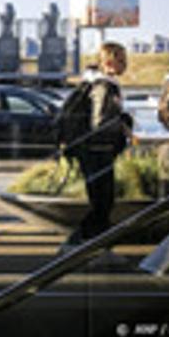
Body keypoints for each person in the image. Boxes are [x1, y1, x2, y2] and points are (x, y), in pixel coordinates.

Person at [64, 41, 132, 246]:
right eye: (121, 60)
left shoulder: (98, 84)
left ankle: (92, 244)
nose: (125, 64)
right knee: (103, 202)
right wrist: (123, 123)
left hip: (94, 150)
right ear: (109, 62)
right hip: (98, 150)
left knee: (101, 202)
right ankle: (80, 243)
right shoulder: (104, 86)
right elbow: (101, 122)